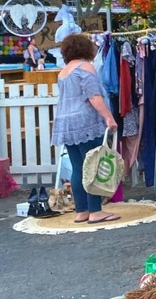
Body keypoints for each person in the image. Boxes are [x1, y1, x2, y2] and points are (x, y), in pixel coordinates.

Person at [51, 33, 120, 224]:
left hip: (65, 123)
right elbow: (94, 96)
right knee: (94, 165)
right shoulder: (86, 67)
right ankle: (96, 211)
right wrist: (109, 118)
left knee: (78, 168)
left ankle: (81, 211)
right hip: (85, 121)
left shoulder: (63, 71)